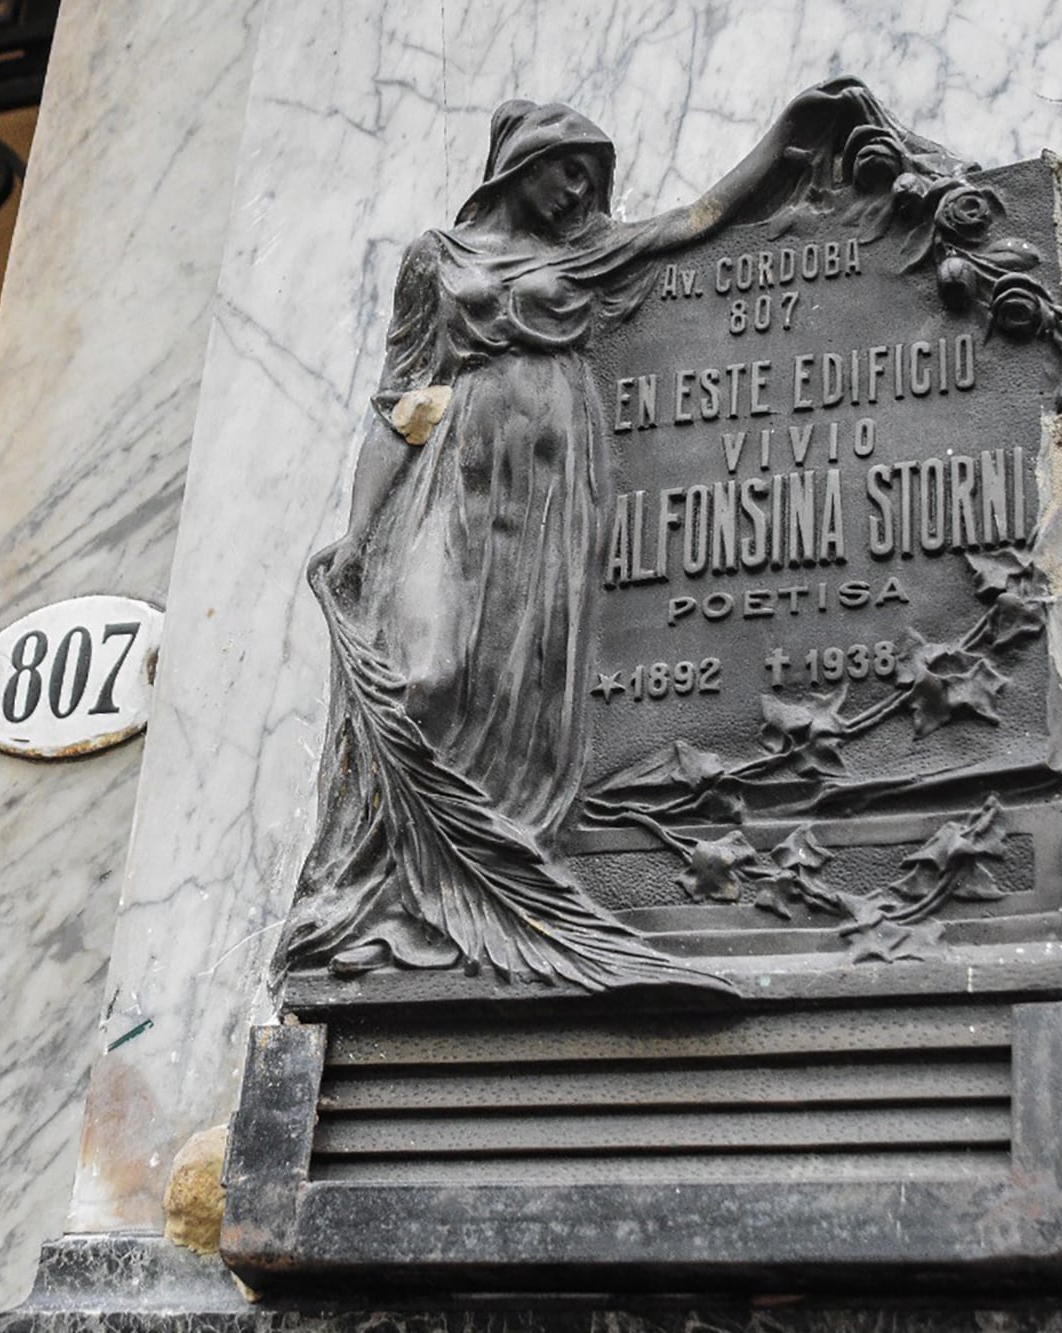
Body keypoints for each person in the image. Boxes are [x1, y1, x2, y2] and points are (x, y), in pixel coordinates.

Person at [281, 83, 868, 991]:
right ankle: (387, 889)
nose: (575, 195)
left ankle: (484, 880)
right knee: (422, 667)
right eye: (565, 172)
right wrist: (358, 533)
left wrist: (781, 138)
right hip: (457, 470)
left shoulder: (589, 255)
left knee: (512, 680)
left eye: (590, 180)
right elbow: (399, 408)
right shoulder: (435, 263)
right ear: (521, 165)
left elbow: (695, 221)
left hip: (552, 485)